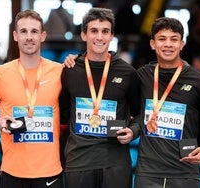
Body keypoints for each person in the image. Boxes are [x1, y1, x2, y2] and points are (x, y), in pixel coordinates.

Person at [0, 9, 63, 188]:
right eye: (23, 31)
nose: (29, 37)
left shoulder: (60, 71)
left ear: (43, 36)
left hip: (49, 172)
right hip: (12, 172)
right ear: (15, 36)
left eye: (34, 31)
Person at [134, 17, 200, 188]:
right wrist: (74, 60)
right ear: (153, 44)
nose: (168, 44)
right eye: (162, 39)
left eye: (174, 39)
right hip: (148, 175)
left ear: (182, 44)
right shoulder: (141, 76)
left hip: (185, 174)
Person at [59, 7, 141, 188]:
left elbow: (141, 114)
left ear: (112, 35)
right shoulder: (69, 70)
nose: (99, 37)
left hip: (115, 164)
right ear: (83, 35)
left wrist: (133, 131)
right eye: (94, 31)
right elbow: (63, 113)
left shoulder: (128, 73)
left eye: (105, 31)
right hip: (78, 162)